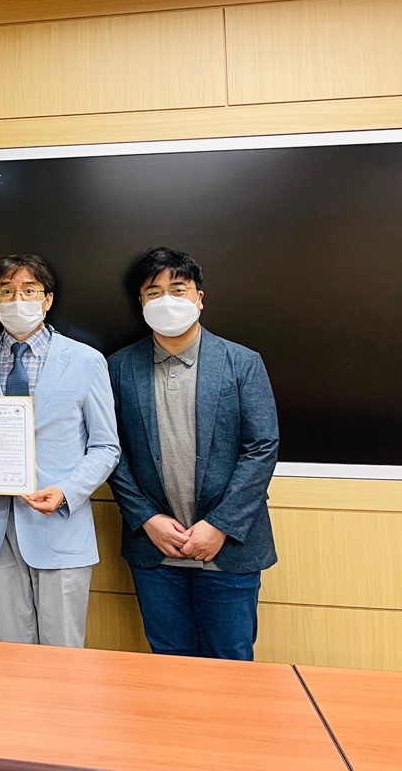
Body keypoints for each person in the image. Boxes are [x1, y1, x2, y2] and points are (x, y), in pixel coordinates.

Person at [108, 246, 279, 660]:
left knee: (231, 660)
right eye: (154, 292)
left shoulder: (241, 362)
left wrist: (219, 525)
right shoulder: (118, 367)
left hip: (228, 547)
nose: (166, 300)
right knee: (169, 661)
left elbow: (262, 447)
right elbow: (111, 451)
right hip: (155, 549)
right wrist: (147, 519)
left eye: (178, 289)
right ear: (141, 304)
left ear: (199, 298)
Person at [0, 254, 119, 648]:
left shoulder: (85, 360)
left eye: (29, 290)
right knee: (11, 653)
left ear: (47, 299)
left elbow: (105, 446)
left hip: (59, 525)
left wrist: (66, 491)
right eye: (6, 291)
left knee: (63, 656)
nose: (18, 300)